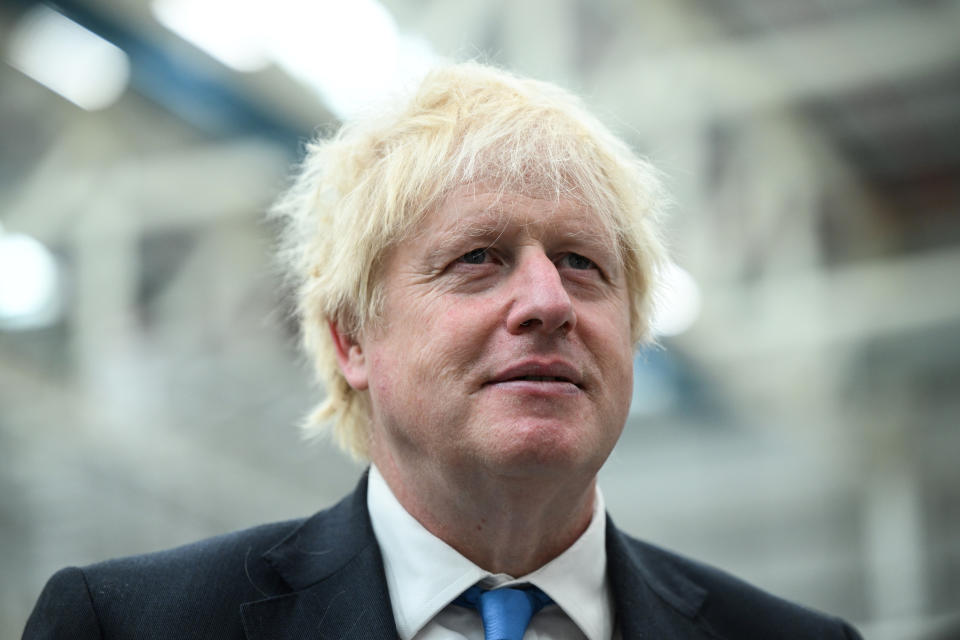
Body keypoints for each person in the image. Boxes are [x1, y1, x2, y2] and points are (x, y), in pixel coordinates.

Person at [24, 62, 862, 639]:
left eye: (582, 263)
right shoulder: (131, 625)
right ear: (351, 339)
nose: (547, 302)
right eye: (477, 259)